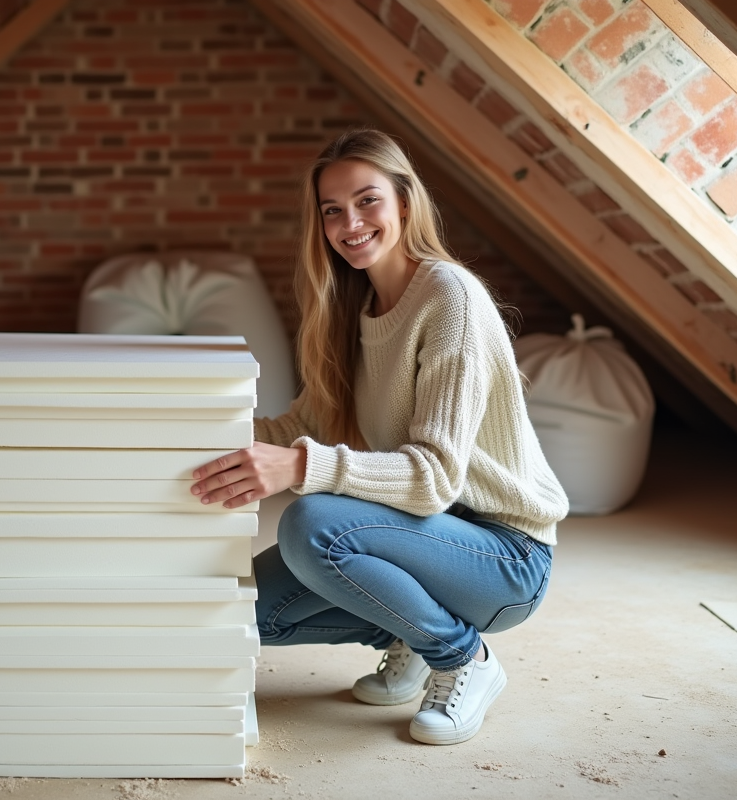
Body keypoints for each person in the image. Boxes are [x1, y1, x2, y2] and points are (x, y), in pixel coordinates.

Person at [189, 129, 568, 746]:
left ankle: (461, 656)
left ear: (405, 203)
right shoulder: (351, 309)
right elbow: (297, 427)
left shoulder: (450, 299)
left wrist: (298, 468)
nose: (350, 223)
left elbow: (434, 478)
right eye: (332, 210)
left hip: (504, 556)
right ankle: (414, 635)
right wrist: (186, 433)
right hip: (417, 539)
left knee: (314, 525)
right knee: (251, 615)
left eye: (367, 201)